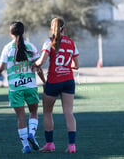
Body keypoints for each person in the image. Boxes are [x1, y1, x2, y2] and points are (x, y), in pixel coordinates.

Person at [0, 21, 45, 154]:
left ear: (10, 33)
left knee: (20, 117)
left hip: (15, 88)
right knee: (33, 113)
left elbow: (1, 67)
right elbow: (38, 67)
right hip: (30, 86)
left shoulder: (7, 48)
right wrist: (44, 81)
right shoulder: (30, 46)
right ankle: (32, 134)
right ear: (24, 32)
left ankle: (26, 146)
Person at [34, 18, 79, 153]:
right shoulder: (71, 43)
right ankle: (72, 146)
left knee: (47, 112)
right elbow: (76, 65)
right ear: (64, 29)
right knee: (69, 113)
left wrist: (33, 63)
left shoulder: (49, 42)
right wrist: (65, 66)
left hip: (53, 81)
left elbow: (41, 62)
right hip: (68, 81)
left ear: (51, 29)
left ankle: (50, 144)